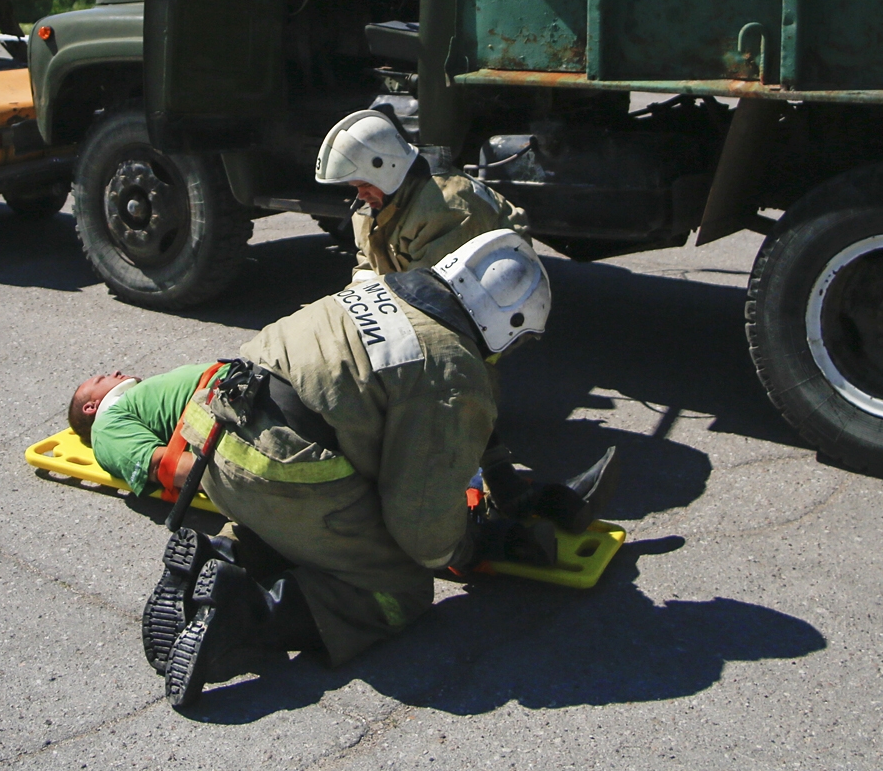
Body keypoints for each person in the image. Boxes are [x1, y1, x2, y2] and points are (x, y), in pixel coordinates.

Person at [74, 230, 612, 706]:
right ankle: (245, 616)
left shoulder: (384, 291)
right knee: (397, 589)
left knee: (312, 524)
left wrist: (499, 476)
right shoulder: (451, 367)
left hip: (212, 435)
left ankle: (216, 558)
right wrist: (473, 546)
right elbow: (421, 527)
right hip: (281, 470)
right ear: (510, 324)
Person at [314, 109, 529, 282]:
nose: (361, 195)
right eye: (355, 186)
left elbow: (433, 291)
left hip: (503, 287)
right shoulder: (369, 210)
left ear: (389, 168)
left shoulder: (444, 207)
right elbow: (369, 265)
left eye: (365, 184)